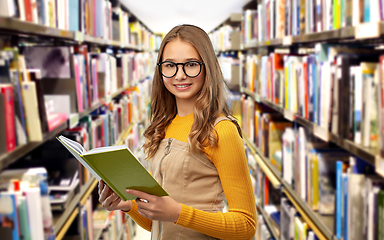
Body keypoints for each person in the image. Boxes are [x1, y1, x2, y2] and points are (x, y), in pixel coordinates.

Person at [98, 24, 257, 240]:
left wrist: (179, 213)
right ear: (160, 69)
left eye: (191, 64)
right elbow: (160, 224)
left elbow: (246, 226)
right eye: (170, 65)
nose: (179, 75)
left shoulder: (221, 130)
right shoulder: (163, 125)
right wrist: (127, 205)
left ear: (207, 66)